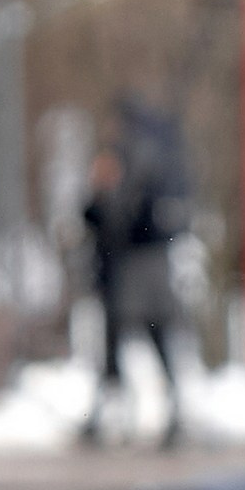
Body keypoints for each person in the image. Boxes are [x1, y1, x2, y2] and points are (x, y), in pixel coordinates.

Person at [80, 100, 193, 447]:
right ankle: (169, 413)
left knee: (119, 344)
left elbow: (110, 220)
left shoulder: (126, 162)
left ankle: (118, 415)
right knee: (152, 344)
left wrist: (103, 198)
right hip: (149, 271)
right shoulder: (162, 160)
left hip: (130, 271)